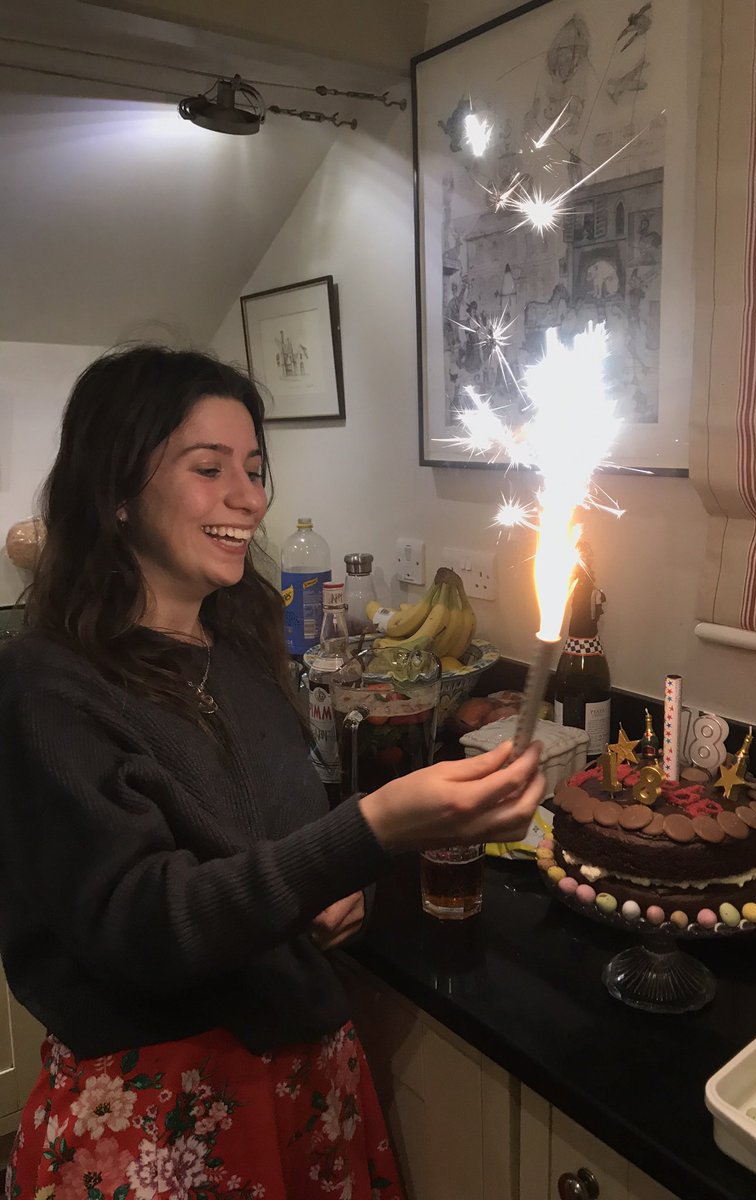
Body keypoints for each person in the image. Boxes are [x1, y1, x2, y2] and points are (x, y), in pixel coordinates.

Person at [0, 345, 544, 1198]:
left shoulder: (246, 649)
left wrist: (341, 884)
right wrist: (371, 832)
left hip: (306, 1085)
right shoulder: (48, 684)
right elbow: (143, 924)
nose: (249, 497)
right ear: (114, 490)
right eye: (208, 467)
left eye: (254, 468)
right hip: (161, 1122)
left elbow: (280, 842)